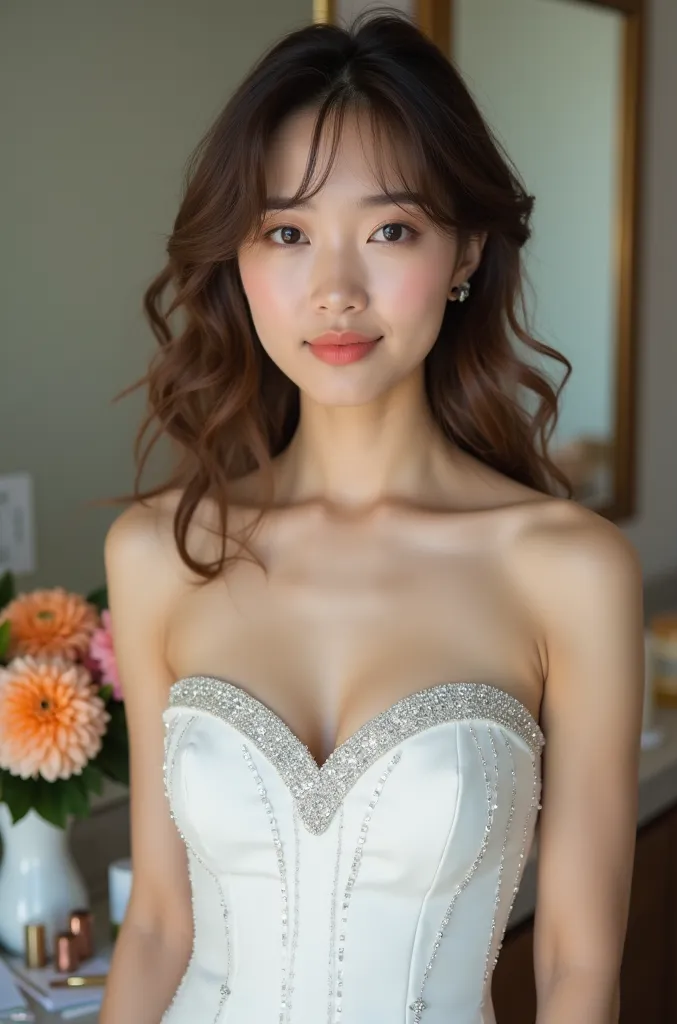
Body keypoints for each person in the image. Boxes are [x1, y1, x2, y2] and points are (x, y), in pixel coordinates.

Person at [99, 9, 644, 1024]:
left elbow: (578, 964)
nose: (335, 291)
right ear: (239, 259)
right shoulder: (157, 554)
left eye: (390, 230)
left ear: (465, 251)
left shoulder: (566, 568)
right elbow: (162, 926)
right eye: (287, 233)